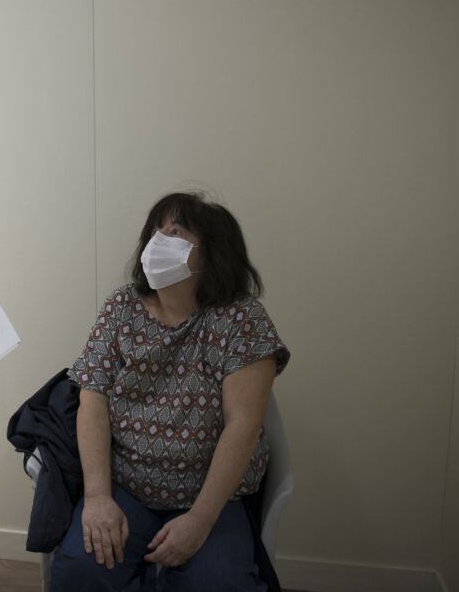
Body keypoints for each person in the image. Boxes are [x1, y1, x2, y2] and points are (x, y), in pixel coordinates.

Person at [52, 192, 290, 591]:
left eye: (175, 233)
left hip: (213, 496)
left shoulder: (241, 319)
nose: (158, 242)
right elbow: (92, 396)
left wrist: (199, 520)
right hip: (128, 485)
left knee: (221, 585)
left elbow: (243, 423)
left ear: (212, 252)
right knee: (80, 570)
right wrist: (97, 497)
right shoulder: (122, 307)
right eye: (155, 232)